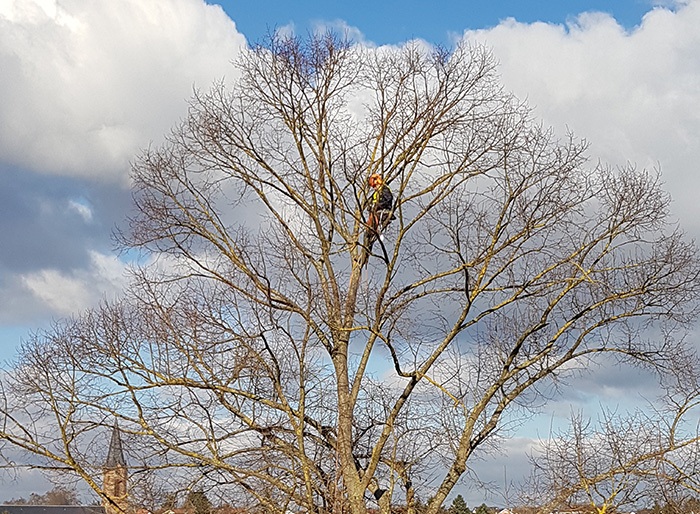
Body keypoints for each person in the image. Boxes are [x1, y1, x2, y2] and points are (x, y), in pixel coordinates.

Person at [367, 173, 394, 238]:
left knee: (373, 219)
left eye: (375, 185)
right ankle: (370, 233)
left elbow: (388, 198)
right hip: (376, 211)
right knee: (369, 222)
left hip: (384, 210)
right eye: (373, 186)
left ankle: (373, 232)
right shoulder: (376, 193)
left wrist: (379, 205)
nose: (374, 188)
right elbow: (373, 202)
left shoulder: (384, 189)